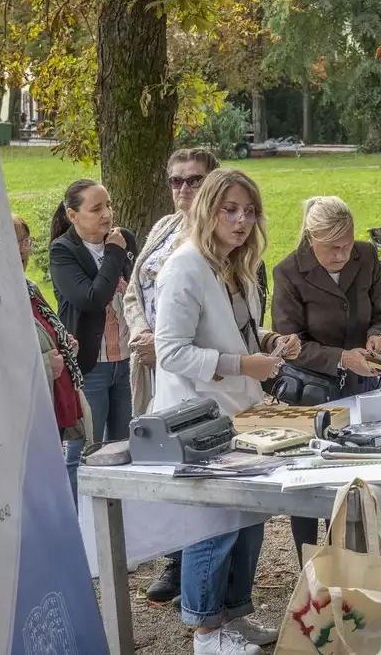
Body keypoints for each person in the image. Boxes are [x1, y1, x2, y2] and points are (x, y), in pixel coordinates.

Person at [153, 168, 301, 655]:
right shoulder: (185, 267)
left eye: (249, 211)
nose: (241, 221)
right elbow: (170, 351)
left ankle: (231, 618)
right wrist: (242, 363)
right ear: (207, 209)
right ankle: (205, 632)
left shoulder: (236, 263)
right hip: (197, 419)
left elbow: (236, 332)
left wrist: (270, 342)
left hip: (240, 413)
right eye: (230, 210)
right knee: (213, 528)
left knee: (247, 521)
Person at [271, 196, 381, 566]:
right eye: (333, 248)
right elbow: (289, 344)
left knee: (359, 475)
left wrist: (379, 335)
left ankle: (352, 558)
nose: (343, 254)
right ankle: (309, 563)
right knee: (311, 482)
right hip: (313, 391)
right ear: (311, 239)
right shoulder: (288, 272)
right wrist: (341, 358)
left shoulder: (367, 256)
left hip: (363, 385)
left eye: (347, 244)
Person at [122, 148, 219, 602]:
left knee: (196, 459)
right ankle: (176, 560)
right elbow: (133, 294)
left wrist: (164, 346)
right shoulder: (163, 228)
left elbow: (219, 317)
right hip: (153, 366)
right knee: (165, 460)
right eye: (176, 181)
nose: (183, 189)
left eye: (194, 180)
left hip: (192, 369)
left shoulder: (221, 237)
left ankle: (199, 576)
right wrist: (143, 335)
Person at [49, 180, 138, 503]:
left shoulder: (124, 239)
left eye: (109, 205)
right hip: (91, 366)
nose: (107, 214)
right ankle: (79, 530)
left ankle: (119, 532)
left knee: (123, 448)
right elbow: (91, 298)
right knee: (85, 451)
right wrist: (114, 253)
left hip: (126, 361)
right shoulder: (63, 251)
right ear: (73, 215)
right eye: (96, 208)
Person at [14, 214, 91, 446]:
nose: (20, 251)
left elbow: (43, 330)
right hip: (25, 415)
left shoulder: (28, 287)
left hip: (52, 403)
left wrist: (61, 342)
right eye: (10, 242)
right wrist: (46, 364)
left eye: (24, 241)